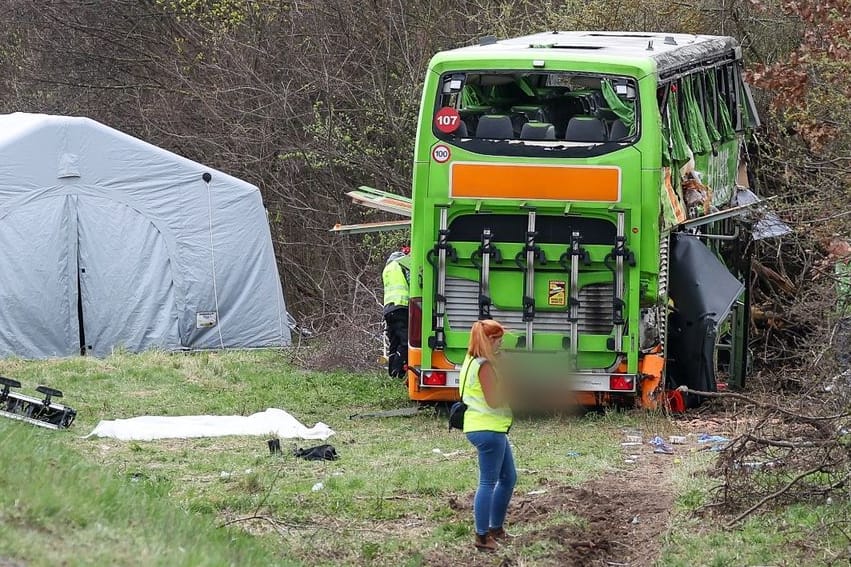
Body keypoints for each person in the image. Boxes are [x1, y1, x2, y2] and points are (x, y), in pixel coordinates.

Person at [459, 319, 516, 552]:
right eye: (498, 340)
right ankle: (482, 536)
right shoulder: (484, 366)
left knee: (508, 478)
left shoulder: (471, 360)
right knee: (488, 482)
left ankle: (495, 529)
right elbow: (493, 401)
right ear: (488, 340)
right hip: (488, 429)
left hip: (485, 427)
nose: (500, 344)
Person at [382, 246, 411, 378]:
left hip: (389, 309)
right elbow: (412, 282)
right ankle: (398, 372)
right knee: (406, 342)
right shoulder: (402, 264)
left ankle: (391, 374)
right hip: (401, 306)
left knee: (394, 342)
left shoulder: (387, 268)